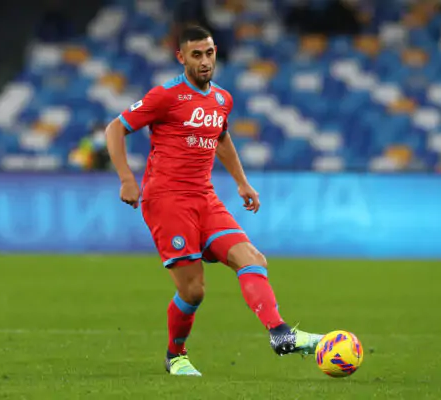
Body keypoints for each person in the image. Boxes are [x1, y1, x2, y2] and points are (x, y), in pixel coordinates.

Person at [105, 26, 323, 377]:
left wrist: (242, 182)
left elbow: (220, 138)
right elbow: (115, 128)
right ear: (181, 57)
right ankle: (176, 355)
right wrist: (127, 179)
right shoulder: (166, 95)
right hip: (167, 201)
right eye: (196, 55)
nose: (204, 61)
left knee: (252, 258)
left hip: (204, 197)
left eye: (209, 53)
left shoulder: (222, 99)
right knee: (194, 291)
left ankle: (280, 333)